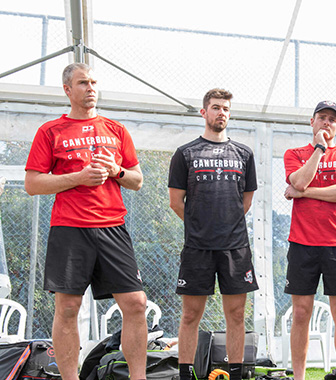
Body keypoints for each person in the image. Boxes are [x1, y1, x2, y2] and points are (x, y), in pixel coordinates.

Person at [24, 63, 148, 380]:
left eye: (93, 82)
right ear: (68, 90)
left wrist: (116, 172)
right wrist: (78, 177)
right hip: (70, 229)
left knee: (135, 303)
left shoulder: (116, 130)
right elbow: (33, 183)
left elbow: (137, 180)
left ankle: (139, 378)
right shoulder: (50, 131)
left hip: (112, 228)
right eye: (83, 82)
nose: (90, 87)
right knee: (67, 308)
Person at [168, 88, 258, 380]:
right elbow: (175, 201)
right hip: (198, 248)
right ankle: (185, 374)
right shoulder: (186, 153)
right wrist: (200, 226)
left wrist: (225, 224)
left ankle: (235, 373)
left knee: (235, 315)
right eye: (216, 107)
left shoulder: (244, 153)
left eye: (226, 109)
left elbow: (245, 201)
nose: (221, 113)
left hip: (235, 248)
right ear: (203, 112)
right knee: (190, 315)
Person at [283, 101, 336, 380]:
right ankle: (299, 377)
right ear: (312, 122)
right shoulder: (295, 153)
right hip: (302, 243)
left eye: (332, 120)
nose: (327, 123)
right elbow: (299, 179)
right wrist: (319, 149)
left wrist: (303, 194)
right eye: (322, 118)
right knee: (301, 312)